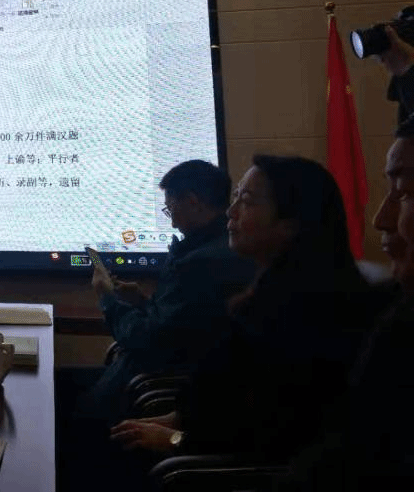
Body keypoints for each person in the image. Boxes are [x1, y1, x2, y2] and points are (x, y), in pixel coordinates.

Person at [107, 156, 384, 471]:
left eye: (247, 201)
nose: (230, 211)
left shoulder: (306, 315)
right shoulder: (265, 295)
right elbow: (219, 397)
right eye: (236, 196)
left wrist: (172, 438)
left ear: (292, 223)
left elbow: (270, 439)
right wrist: (175, 419)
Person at [275, 120, 414, 489]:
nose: (381, 219)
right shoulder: (392, 310)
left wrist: (178, 438)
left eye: (404, 192)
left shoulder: (359, 313)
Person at [77, 160, 254, 422]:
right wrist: (142, 301)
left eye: (170, 209)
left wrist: (107, 297)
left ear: (192, 202)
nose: (171, 223)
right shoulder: (217, 248)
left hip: (150, 388)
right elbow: (182, 321)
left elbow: (147, 340)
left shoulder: (200, 263)